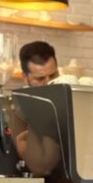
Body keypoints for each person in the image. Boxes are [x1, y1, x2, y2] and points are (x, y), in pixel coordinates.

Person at [13, 41, 61, 174]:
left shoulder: (70, 100)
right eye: (40, 79)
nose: (49, 82)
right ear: (25, 77)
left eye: (53, 75)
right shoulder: (17, 109)